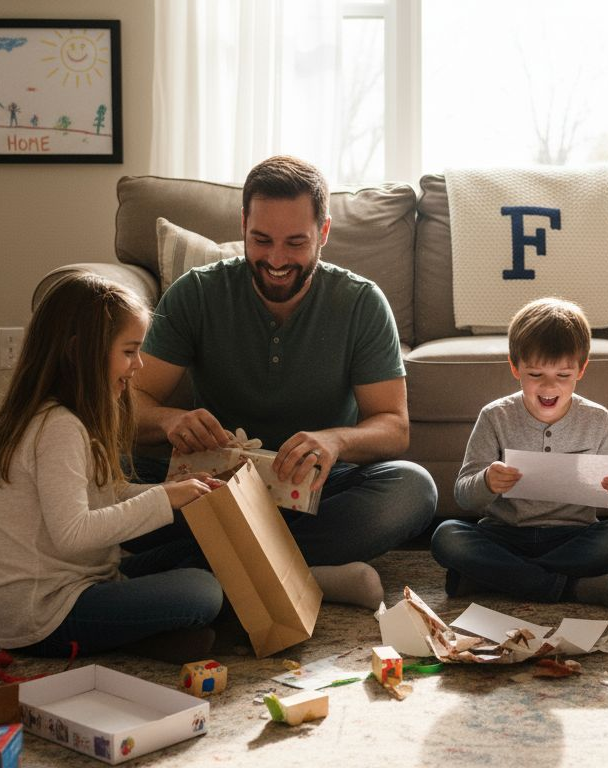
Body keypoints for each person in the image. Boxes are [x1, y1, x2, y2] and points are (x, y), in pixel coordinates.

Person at [131, 154, 437, 609]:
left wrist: (334, 441)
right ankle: (305, 571)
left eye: (296, 243)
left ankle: (200, 568)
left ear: (323, 232)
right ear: (243, 225)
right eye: (261, 240)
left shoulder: (361, 303)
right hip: (214, 487)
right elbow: (130, 403)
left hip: (317, 489)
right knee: (106, 476)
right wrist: (169, 420)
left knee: (413, 488)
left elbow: (394, 426)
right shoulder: (196, 292)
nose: (276, 260)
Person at [0, 275, 226, 662]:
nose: (138, 365)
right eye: (129, 352)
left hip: (91, 579)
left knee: (201, 548)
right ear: (81, 353)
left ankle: (147, 635)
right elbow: (73, 534)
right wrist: (164, 498)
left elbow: (107, 494)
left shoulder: (76, 417)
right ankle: (146, 633)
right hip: (47, 615)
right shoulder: (57, 427)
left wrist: (179, 492)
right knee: (202, 591)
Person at [431, 298, 608, 610]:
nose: (549, 386)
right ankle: (568, 587)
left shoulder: (597, 419)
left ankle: (492, 578)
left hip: (572, 536)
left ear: (581, 369)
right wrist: (486, 481)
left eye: (563, 375)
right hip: (504, 535)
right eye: (536, 374)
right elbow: (464, 495)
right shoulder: (495, 416)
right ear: (515, 367)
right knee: (447, 537)